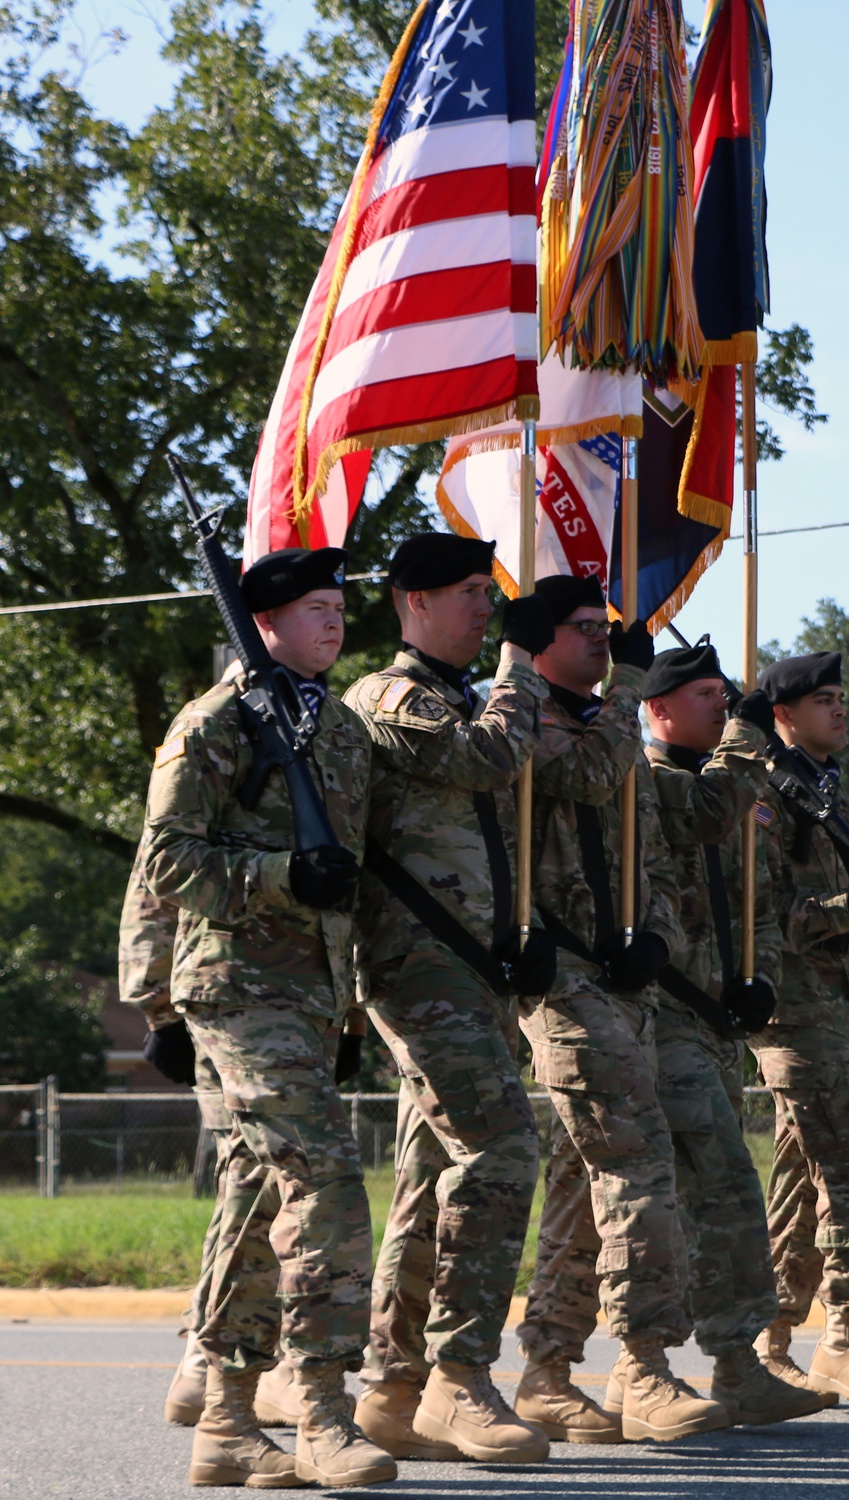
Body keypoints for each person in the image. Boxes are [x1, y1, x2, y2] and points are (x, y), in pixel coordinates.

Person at [142, 546, 396, 1488]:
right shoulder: (217, 722)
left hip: (313, 994)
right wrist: (279, 877)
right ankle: (324, 1409)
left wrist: (354, 1006)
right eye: (316, 608)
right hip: (237, 986)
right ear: (266, 622)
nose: (335, 623)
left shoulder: (338, 728)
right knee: (325, 1180)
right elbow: (166, 862)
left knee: (257, 1193)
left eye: (340, 608)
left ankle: (224, 1421)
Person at [343, 533, 555, 1466]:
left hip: (477, 968)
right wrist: (521, 666)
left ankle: (394, 1389)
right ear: (411, 602)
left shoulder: (462, 698)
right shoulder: (390, 698)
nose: (485, 608)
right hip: (421, 971)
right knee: (504, 1147)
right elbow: (488, 760)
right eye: (470, 592)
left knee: (435, 1179)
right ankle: (462, 1376)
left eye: (489, 591)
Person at [512, 577, 732, 1446]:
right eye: (583, 628)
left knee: (579, 1183)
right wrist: (631, 690)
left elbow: (655, 859)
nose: (604, 640)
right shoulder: (528, 723)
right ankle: (643, 1366)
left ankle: (547, 1367)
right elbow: (595, 774)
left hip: (626, 983)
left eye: (607, 627)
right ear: (539, 641)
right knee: (637, 1159)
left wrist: (658, 939)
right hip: (561, 979)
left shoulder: (613, 732)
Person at [634, 643, 825, 1424]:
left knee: (708, 1188)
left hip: (718, 1018)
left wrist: (762, 977)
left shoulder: (737, 788)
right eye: (706, 695)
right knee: (719, 1183)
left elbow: (760, 901)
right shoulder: (644, 782)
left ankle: (724, 1367)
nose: (723, 706)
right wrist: (750, 738)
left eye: (727, 694)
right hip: (663, 1012)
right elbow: (707, 814)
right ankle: (700, 1360)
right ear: (657, 708)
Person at [750, 651, 849, 1404]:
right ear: (782, 715)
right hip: (791, 1012)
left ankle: (771, 1338)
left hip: (832, 1016)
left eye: (843, 697)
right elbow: (760, 916)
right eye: (823, 700)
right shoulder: (768, 792)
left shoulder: (827, 793)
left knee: (798, 1181)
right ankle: (844, 1339)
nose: (840, 710)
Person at [118, 843, 315, 1434]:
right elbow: (154, 885)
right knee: (254, 1175)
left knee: (264, 1179)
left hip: (300, 997)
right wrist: (157, 1011)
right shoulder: (221, 754)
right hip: (220, 996)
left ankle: (220, 1364)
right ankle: (208, 1361)